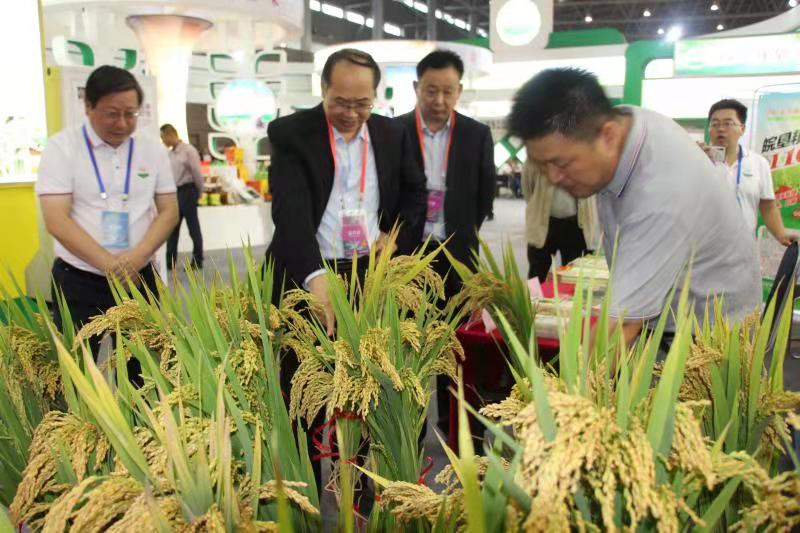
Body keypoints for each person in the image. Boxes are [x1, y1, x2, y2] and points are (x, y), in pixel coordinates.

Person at [265, 48, 427, 490]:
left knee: (368, 384)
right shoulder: (291, 134)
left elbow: (415, 194)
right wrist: (315, 280)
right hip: (308, 273)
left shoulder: (393, 134)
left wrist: (393, 237)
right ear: (323, 89)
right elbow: (290, 215)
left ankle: (361, 489)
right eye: (341, 102)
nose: (351, 114)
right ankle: (307, 490)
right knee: (305, 388)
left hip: (368, 276)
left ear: (375, 97)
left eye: (362, 104)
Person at [508, 68, 761, 347]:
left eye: (562, 163)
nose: (553, 178)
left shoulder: (659, 191)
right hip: (672, 316)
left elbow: (621, 326)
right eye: (542, 165)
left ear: (608, 136)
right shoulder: (625, 122)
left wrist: (560, 377)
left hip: (709, 336)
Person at [37, 65, 178, 357]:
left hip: (139, 276)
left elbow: (169, 211)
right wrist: (109, 265)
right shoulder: (62, 148)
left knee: (145, 366)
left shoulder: (152, 150)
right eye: (112, 113)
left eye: (130, 114)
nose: (122, 123)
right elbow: (56, 219)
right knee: (80, 366)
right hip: (80, 278)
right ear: (88, 106)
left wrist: (137, 257)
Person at [395, 49, 495, 435]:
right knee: (408, 346)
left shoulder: (477, 135)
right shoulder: (394, 132)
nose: (439, 100)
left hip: (458, 258)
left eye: (448, 91)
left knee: (455, 344)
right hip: (408, 258)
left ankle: (455, 429)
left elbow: (484, 197)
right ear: (416, 87)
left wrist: (461, 235)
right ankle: (411, 430)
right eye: (430, 90)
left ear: (460, 91)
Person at [707, 99, 795, 245]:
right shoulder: (698, 161)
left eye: (728, 123)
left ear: (742, 129)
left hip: (744, 248)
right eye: (715, 124)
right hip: (704, 248)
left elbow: (768, 207)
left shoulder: (758, 163)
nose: (720, 129)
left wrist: (781, 235)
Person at [522, 159, 597, 282]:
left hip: (576, 224)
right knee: (536, 273)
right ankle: (532, 295)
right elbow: (527, 187)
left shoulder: (585, 153)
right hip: (543, 224)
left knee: (573, 275)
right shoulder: (536, 155)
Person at [161, 123, 205, 269]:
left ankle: (197, 260)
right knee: (172, 228)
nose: (163, 141)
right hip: (175, 193)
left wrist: (199, 191)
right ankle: (170, 262)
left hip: (188, 191)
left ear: (171, 134)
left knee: (193, 228)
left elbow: (197, 173)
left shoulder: (188, 151)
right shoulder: (169, 154)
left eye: (163, 137)